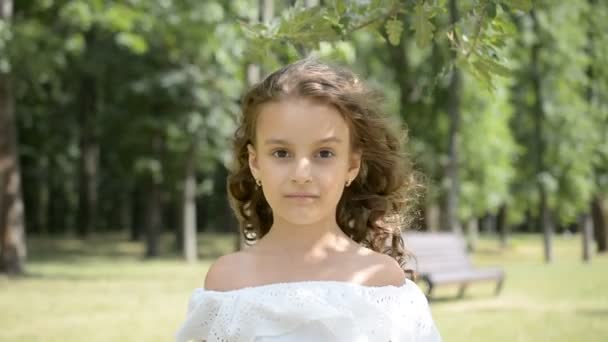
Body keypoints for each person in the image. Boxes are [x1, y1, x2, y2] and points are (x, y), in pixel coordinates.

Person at [175, 58, 442, 342]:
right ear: (255, 163)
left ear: (352, 165)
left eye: (324, 153)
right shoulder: (226, 283)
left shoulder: (382, 282)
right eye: (281, 153)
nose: (301, 174)